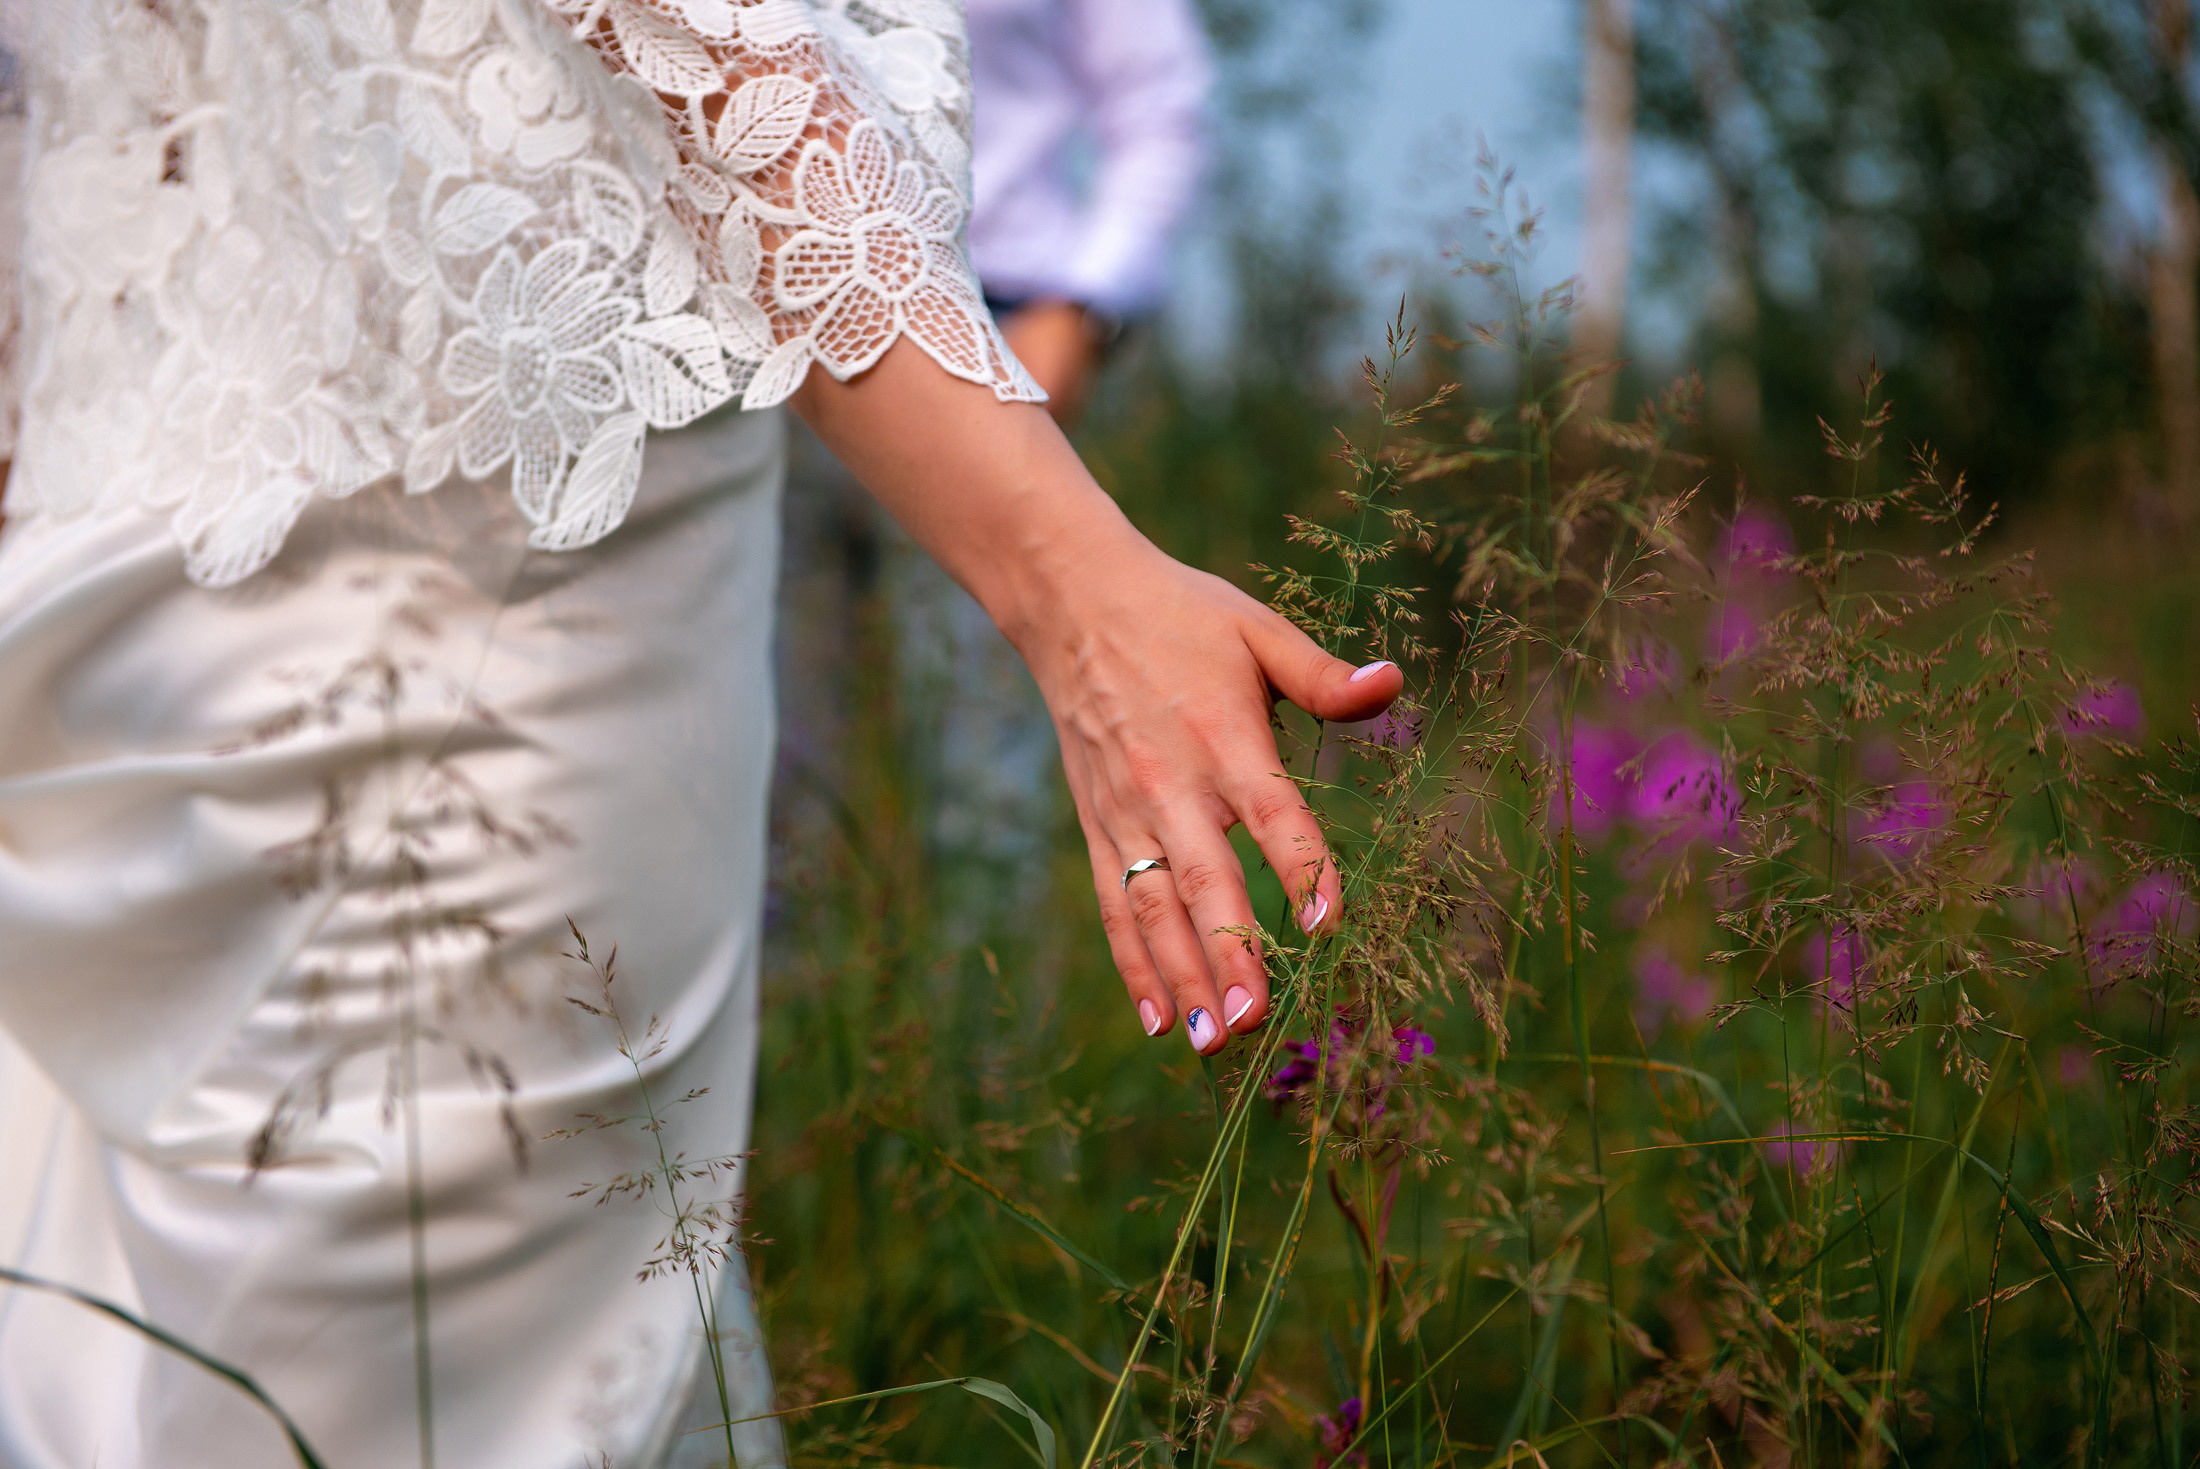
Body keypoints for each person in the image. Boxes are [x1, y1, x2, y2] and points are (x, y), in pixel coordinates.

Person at [0, 3, 1400, 1467]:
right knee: (446, 1341)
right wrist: (1076, 586)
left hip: (121, 532)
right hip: (504, 482)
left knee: (438, 1307)